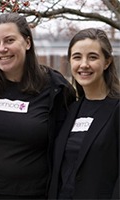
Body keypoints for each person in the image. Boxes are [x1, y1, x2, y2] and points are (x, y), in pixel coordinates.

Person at [0, 13, 76, 199]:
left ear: (27, 42)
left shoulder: (55, 88)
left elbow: (64, 148)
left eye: (9, 40)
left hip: (31, 194)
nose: (2, 49)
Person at [48, 28, 120, 199]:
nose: (84, 64)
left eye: (93, 57)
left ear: (107, 62)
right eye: (77, 57)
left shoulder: (116, 109)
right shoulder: (70, 109)